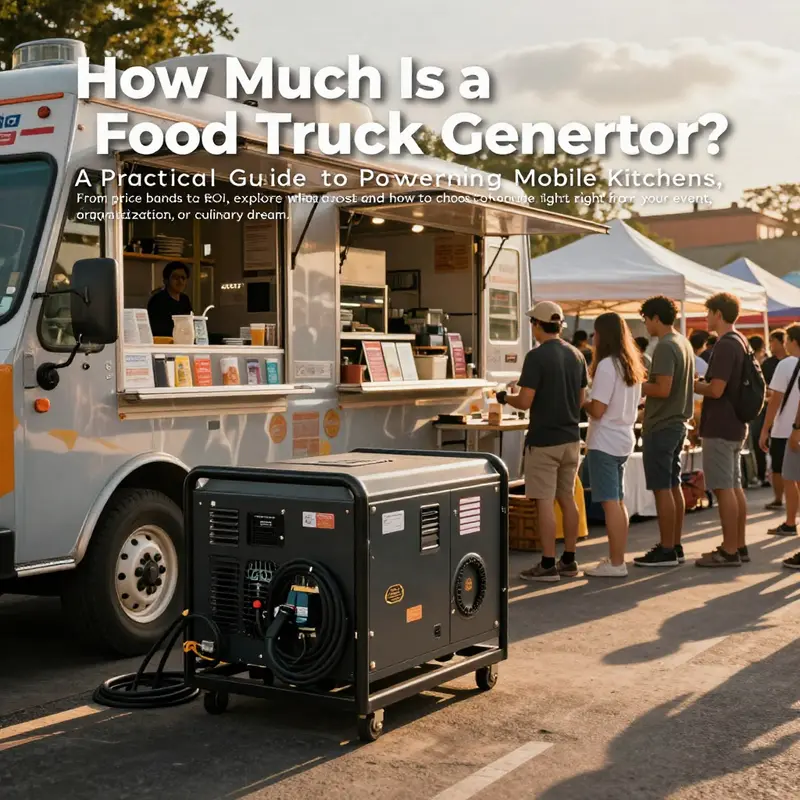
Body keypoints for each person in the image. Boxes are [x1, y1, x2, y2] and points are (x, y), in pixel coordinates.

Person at [497, 301, 587, 582]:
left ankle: (547, 564)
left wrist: (504, 397)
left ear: (537, 324)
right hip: (571, 438)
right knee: (567, 499)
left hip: (544, 439)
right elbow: (582, 399)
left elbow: (524, 401)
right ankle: (569, 560)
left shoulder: (536, 357)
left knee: (544, 502)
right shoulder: (576, 355)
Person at [582, 313, 646, 578]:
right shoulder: (630, 364)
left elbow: (597, 409)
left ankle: (617, 563)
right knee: (618, 503)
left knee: (611, 504)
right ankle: (616, 559)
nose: (593, 338)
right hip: (622, 439)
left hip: (605, 441)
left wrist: (581, 401)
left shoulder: (608, 365)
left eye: (595, 333)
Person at [635, 296, 695, 567]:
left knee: (663, 488)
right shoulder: (683, 342)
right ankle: (675, 544)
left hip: (662, 424)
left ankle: (668, 548)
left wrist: (636, 383)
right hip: (677, 423)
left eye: (646, 319)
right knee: (673, 485)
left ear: (655, 318)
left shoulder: (665, 346)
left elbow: (662, 388)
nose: (645, 325)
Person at [693, 293, 751, 567]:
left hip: (721, 425)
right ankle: (737, 545)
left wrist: (692, 385)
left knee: (723, 488)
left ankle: (729, 551)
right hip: (736, 424)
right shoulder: (740, 340)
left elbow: (716, 389)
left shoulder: (726, 345)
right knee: (734, 487)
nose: (706, 317)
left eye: (708, 312)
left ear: (718, 313)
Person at [759, 325, 800, 536]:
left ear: (792, 341)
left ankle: (791, 522)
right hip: (793, 429)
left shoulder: (786, 365)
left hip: (787, 430)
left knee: (788, 477)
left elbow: (775, 400)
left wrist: (765, 429)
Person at [762, 329, 789, 502]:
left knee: (781, 465)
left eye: (773, 341)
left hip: (782, 422)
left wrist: (765, 429)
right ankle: (779, 498)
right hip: (779, 420)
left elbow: (775, 396)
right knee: (779, 464)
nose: (770, 345)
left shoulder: (785, 365)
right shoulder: (768, 364)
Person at [147, 262, 193, 337]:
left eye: (183, 278)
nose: (180, 281)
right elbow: (157, 330)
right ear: (165, 281)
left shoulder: (185, 299)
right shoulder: (157, 301)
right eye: (176, 277)